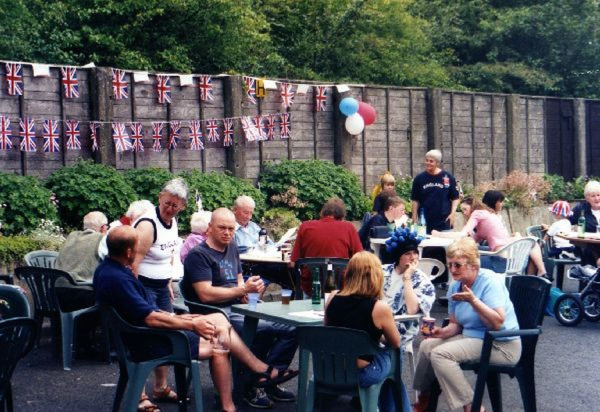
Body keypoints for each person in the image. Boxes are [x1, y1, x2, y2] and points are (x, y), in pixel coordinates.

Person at [95, 226, 298, 412]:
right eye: (138, 248)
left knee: (219, 319)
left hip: (141, 334)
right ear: (129, 252)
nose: (142, 251)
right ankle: (233, 402)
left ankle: (259, 371)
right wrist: (191, 323)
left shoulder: (108, 270)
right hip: (150, 341)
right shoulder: (119, 278)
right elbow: (149, 318)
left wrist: (183, 316)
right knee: (221, 344)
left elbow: (143, 311)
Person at [181, 208, 298, 409]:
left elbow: (237, 280)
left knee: (293, 327)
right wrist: (241, 289)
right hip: (214, 312)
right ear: (209, 228)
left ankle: (267, 379)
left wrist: (248, 289)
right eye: (222, 228)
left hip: (238, 307)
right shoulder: (198, 255)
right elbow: (205, 294)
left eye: (231, 229)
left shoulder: (232, 247)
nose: (227, 233)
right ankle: (250, 386)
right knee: (263, 329)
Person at [412, 238, 521, 412]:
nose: (453, 270)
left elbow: (497, 323)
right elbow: (456, 325)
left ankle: (472, 407)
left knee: (441, 354)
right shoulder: (455, 286)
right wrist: (440, 332)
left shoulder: (489, 282)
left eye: (458, 265)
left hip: (501, 344)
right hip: (473, 337)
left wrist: (473, 301)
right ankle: (426, 397)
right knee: (427, 346)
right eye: (450, 265)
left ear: (473, 265)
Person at [131, 178, 188, 405]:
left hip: (161, 285)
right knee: (144, 338)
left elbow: (168, 254)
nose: (170, 209)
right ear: (159, 197)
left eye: (175, 205)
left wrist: (167, 282)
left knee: (165, 336)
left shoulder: (173, 222)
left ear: (183, 206)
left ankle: (161, 387)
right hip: (143, 284)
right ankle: (140, 394)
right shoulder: (147, 224)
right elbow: (133, 263)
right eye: (167, 203)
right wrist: (136, 295)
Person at [325, 251, 405, 412]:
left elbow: (328, 330)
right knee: (395, 354)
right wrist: (378, 337)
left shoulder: (332, 297)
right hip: (362, 373)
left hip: (330, 369)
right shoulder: (379, 308)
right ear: (376, 276)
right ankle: (396, 408)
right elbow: (395, 342)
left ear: (349, 273)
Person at [432, 191, 548, 277]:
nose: (464, 213)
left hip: (502, 262)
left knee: (462, 261)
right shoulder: (487, 216)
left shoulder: (478, 213)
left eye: (465, 209)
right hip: (515, 261)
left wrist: (438, 234)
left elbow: (462, 235)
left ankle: (462, 291)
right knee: (467, 254)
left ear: (472, 207)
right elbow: (471, 240)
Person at [290, 198, 363, 296]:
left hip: (311, 287)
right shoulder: (348, 228)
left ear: (322, 212)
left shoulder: (306, 227)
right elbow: (361, 260)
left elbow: (293, 263)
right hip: (341, 287)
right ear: (341, 215)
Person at [382, 227, 436, 345]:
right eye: (407, 254)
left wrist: (407, 277)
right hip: (377, 320)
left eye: (415, 253)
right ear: (398, 257)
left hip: (401, 327)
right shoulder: (382, 271)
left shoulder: (423, 281)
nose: (413, 257)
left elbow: (412, 310)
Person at [411, 149, 460, 234]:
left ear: (437, 163)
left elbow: (455, 197)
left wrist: (452, 213)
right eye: (426, 160)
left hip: (443, 219)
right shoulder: (419, 179)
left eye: (431, 161)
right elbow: (415, 199)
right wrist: (414, 216)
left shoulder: (448, 177)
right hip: (425, 219)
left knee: (443, 244)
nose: (428, 163)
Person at [361, 196, 408, 263]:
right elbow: (374, 241)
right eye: (401, 210)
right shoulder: (377, 219)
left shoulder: (392, 222)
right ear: (391, 208)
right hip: (368, 253)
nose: (403, 213)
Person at [569, 180, 600, 266]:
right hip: (588, 245)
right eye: (593, 196)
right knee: (588, 250)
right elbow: (566, 221)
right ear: (587, 198)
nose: (597, 198)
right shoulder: (581, 209)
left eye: (598, 195)